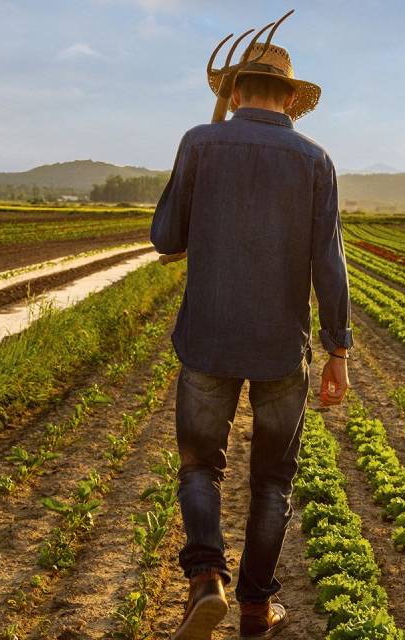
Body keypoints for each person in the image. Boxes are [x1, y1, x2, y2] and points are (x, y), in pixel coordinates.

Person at [151, 24, 352, 640]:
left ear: (235, 91)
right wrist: (337, 350)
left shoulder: (199, 142)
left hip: (208, 337)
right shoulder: (316, 159)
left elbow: (166, 237)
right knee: (272, 479)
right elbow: (329, 261)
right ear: (290, 99)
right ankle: (256, 610)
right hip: (278, 350)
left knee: (199, 467)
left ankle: (206, 577)